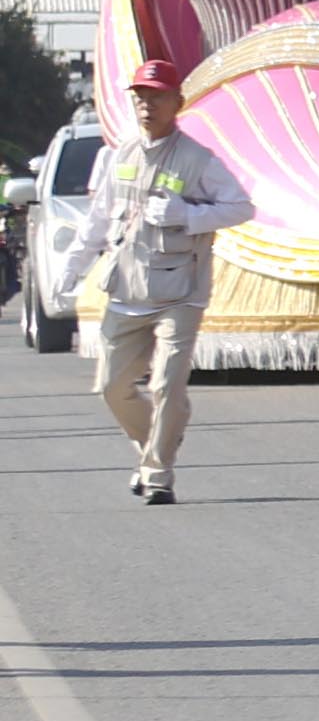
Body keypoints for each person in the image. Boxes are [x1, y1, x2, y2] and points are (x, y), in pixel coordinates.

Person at [79, 58, 257, 503]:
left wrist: (188, 215)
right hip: (126, 289)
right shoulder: (119, 154)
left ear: (178, 102)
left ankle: (159, 475)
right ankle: (156, 444)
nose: (147, 105)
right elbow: (99, 218)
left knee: (166, 385)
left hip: (181, 292)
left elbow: (241, 207)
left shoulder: (198, 160)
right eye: (140, 97)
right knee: (111, 387)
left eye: (157, 97)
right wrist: (72, 265)